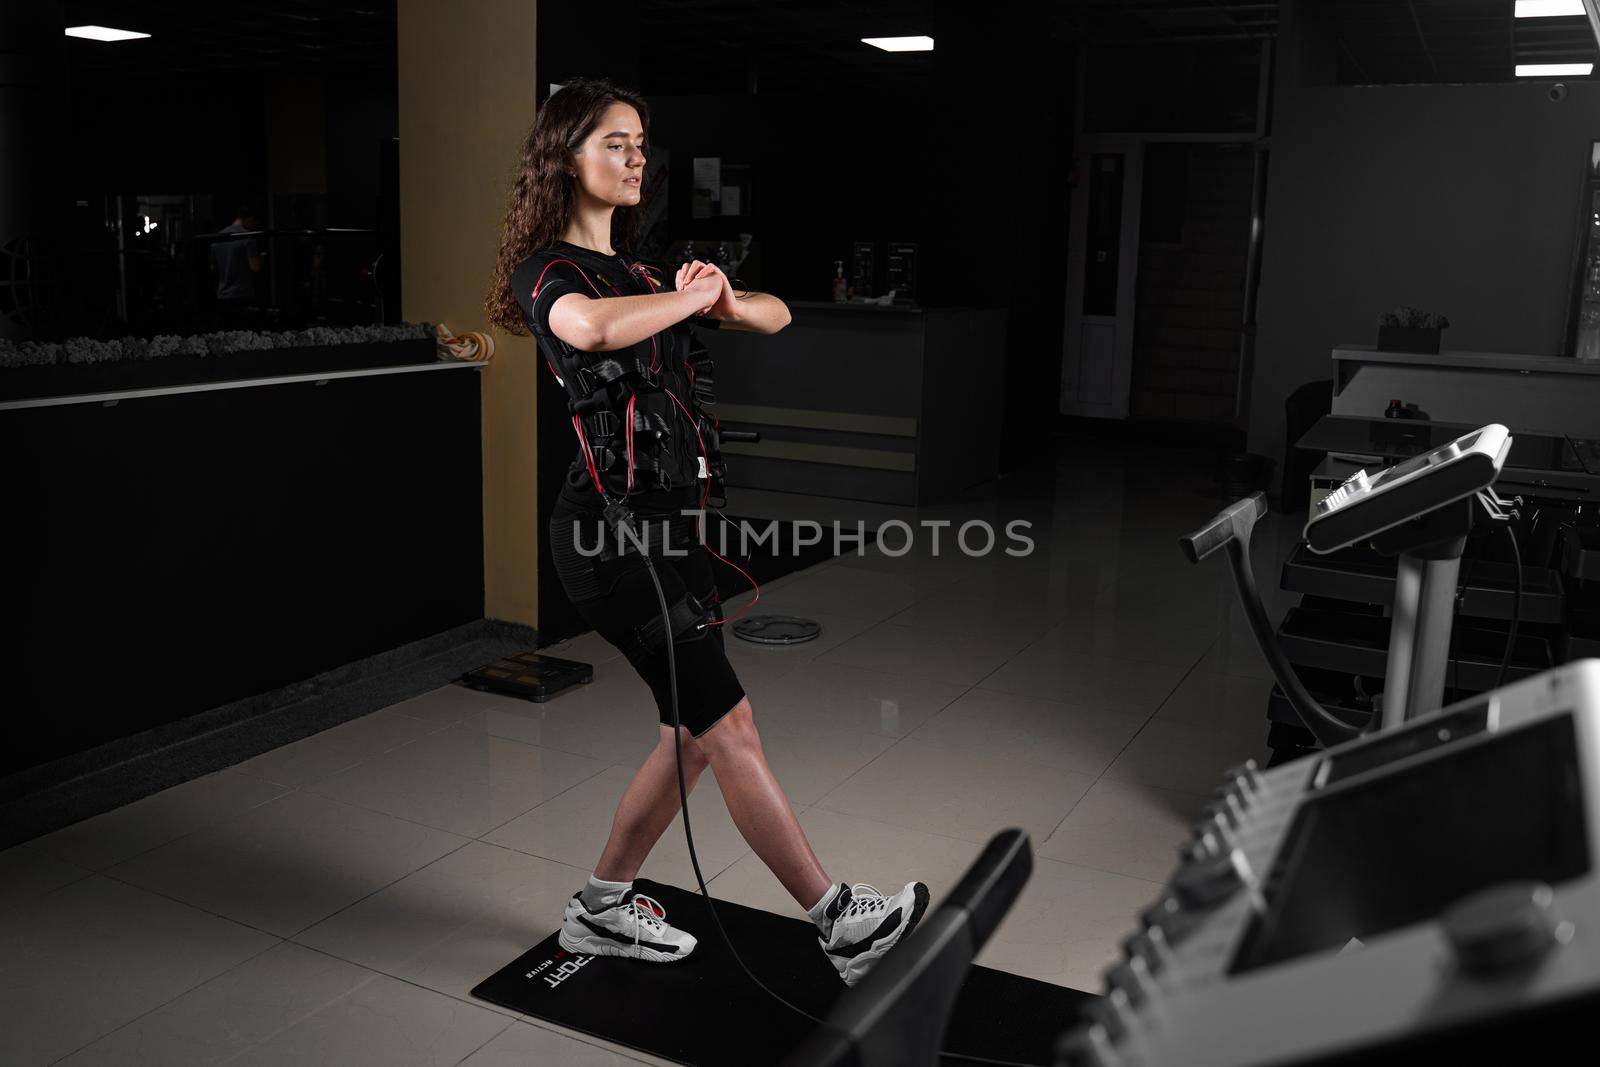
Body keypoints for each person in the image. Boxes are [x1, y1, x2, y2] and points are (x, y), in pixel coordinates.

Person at [486, 77, 927, 987]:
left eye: (642, 143)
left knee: (690, 732)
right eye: (616, 142)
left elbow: (778, 313)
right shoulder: (549, 272)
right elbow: (593, 330)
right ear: (565, 156)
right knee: (727, 721)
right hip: (610, 542)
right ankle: (841, 922)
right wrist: (691, 304)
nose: (636, 157)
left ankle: (601, 907)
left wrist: (721, 295)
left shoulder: (651, 271)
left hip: (671, 532)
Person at [212, 202, 262, 328]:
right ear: (250, 219)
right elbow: (255, 267)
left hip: (222, 294)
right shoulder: (247, 238)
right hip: (242, 293)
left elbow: (213, 267)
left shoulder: (218, 237)